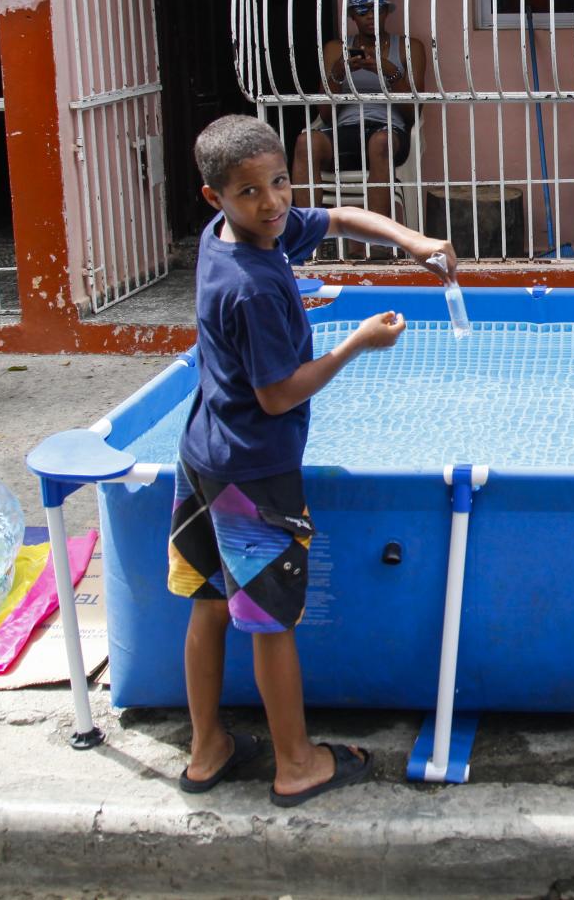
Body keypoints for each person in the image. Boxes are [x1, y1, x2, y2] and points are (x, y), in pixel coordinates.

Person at [170, 113, 456, 803]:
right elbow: (277, 396)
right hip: (254, 472)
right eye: (250, 192)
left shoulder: (231, 236)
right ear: (215, 197)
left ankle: (207, 750)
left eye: (280, 182)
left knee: (210, 602)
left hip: (203, 454)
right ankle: (296, 764)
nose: (272, 202)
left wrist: (412, 241)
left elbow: (339, 218)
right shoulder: (252, 286)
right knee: (269, 622)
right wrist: (355, 344)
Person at [292, 0, 430, 249]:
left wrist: (387, 71)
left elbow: (413, 111)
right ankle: (309, 241)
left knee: (379, 142)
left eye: (377, 9)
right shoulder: (336, 49)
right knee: (305, 142)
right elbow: (325, 113)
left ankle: (376, 246)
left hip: (389, 131)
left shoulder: (408, 47)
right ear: (352, 16)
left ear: (386, 12)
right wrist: (338, 74)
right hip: (346, 129)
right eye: (362, 10)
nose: (370, 16)